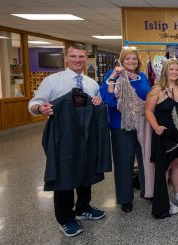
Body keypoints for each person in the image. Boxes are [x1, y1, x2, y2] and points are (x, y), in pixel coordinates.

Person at [28, 43, 108, 237]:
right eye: (73, 56)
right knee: (64, 173)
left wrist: (98, 101)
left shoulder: (91, 83)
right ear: (66, 58)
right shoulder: (52, 81)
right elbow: (34, 103)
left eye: (81, 57)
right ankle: (65, 218)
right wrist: (40, 109)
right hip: (62, 137)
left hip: (86, 135)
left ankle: (83, 208)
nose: (78, 60)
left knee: (85, 169)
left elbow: (96, 104)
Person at [100, 48, 151, 213]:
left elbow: (149, 97)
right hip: (120, 124)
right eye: (127, 59)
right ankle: (125, 199)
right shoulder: (112, 75)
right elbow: (106, 99)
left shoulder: (142, 77)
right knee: (123, 163)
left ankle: (148, 191)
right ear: (122, 60)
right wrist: (114, 80)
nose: (131, 61)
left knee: (146, 159)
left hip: (143, 124)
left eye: (134, 59)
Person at [145, 59, 178, 219]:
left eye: (176, 70)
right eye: (171, 69)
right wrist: (156, 127)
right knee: (164, 167)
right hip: (164, 135)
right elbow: (148, 111)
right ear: (165, 71)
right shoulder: (156, 90)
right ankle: (165, 201)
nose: (174, 72)